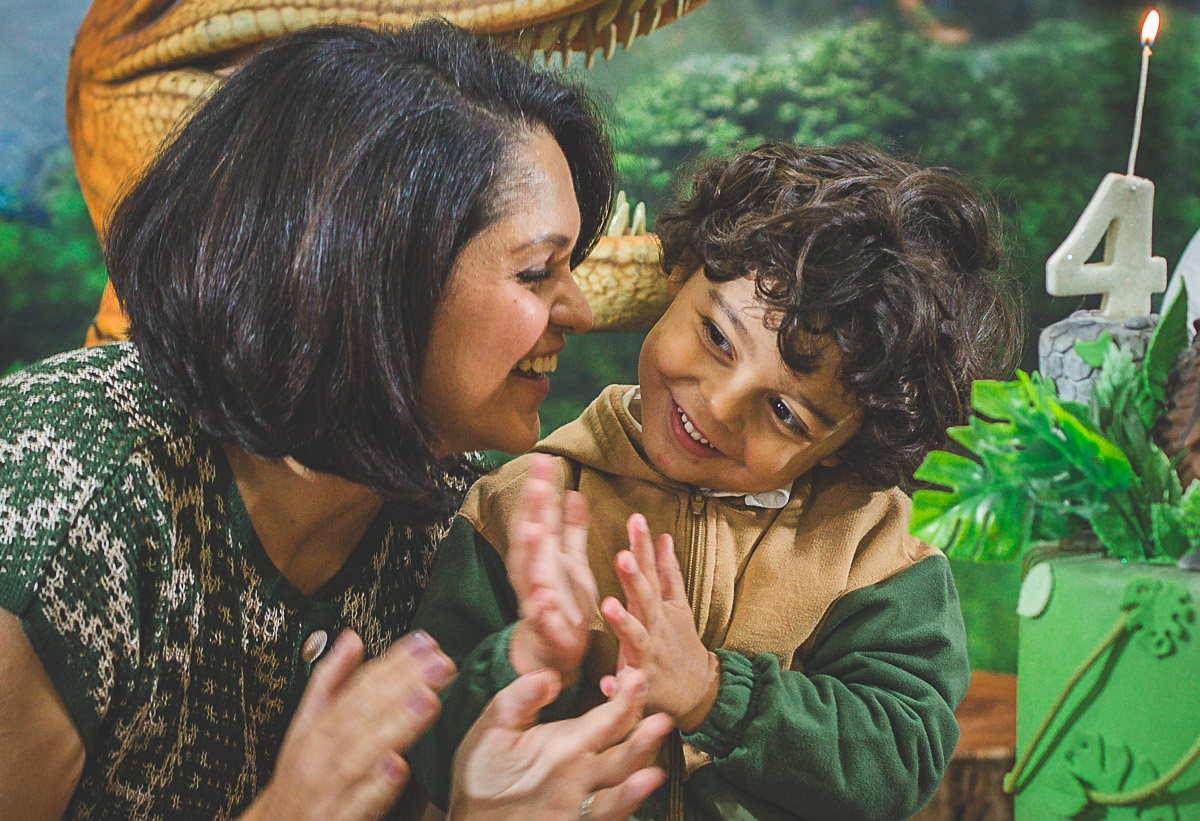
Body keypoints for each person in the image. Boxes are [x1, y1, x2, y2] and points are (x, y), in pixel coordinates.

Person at [0, 21, 671, 821]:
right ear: (377, 269)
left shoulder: (453, 514)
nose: (581, 309)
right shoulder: (62, 483)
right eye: (537, 271)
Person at [409, 142, 1024, 820]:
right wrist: (531, 657)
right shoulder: (521, 507)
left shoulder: (878, 552)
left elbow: (900, 757)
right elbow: (435, 760)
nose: (721, 405)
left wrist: (714, 691)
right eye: (717, 337)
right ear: (680, 274)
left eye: (786, 413)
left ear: (845, 445)